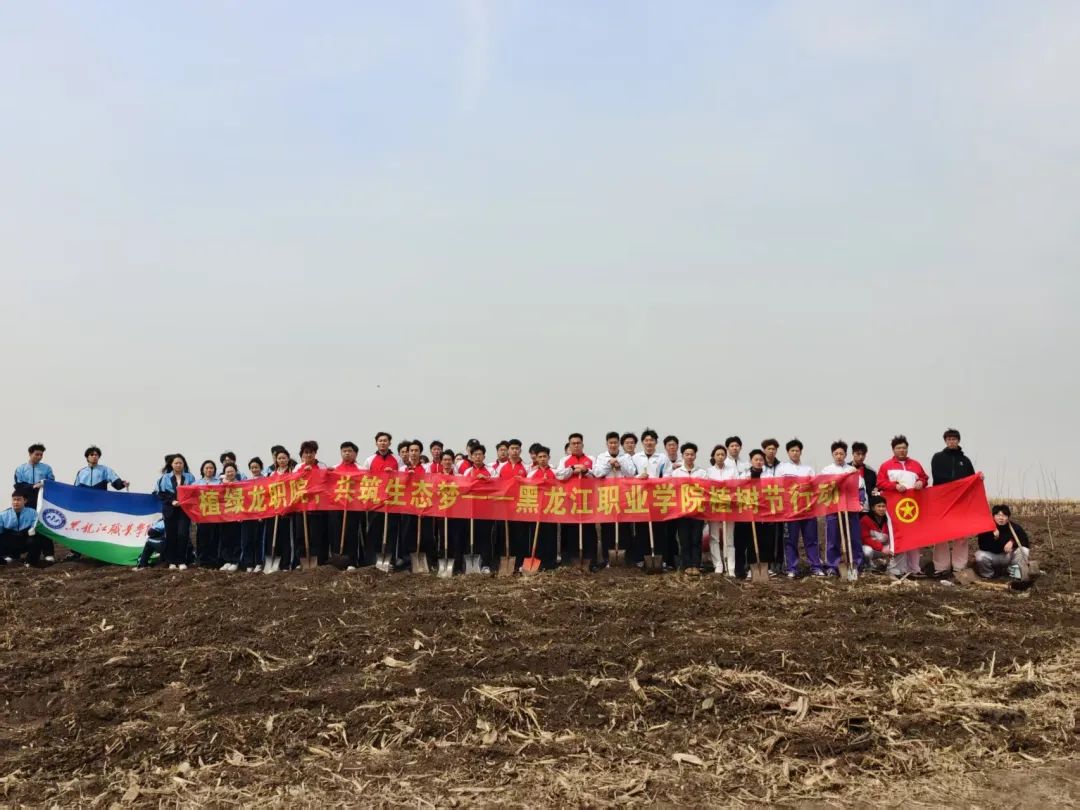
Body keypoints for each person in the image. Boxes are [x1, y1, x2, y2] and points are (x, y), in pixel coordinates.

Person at [877, 435, 929, 577]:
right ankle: (898, 569)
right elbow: (880, 482)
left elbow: (924, 478)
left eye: (904, 448)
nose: (902, 450)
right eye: (898, 448)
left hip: (913, 508)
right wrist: (895, 486)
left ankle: (914, 568)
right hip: (895, 508)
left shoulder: (916, 464)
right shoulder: (886, 465)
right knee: (898, 536)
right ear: (893, 450)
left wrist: (921, 482)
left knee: (914, 537)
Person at [930, 428, 977, 579]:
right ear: (945, 441)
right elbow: (937, 476)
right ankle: (941, 567)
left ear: (958, 441)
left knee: (961, 535)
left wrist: (978, 478)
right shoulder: (937, 457)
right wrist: (957, 485)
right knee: (941, 535)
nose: (951, 441)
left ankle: (959, 567)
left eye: (954, 439)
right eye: (949, 439)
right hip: (942, 501)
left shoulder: (966, 460)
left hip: (961, 503)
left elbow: (971, 480)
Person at [777, 439, 823, 577]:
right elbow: (778, 487)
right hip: (790, 511)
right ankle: (792, 568)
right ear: (788, 452)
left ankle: (816, 567)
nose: (795, 453)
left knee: (811, 539)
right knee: (791, 540)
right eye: (792, 451)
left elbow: (815, 487)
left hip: (808, 510)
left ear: (801, 452)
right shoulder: (782, 469)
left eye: (797, 450)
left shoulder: (808, 469)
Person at [819, 441, 864, 576]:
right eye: (836, 453)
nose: (839, 456)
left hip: (850, 509)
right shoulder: (827, 470)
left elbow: (860, 488)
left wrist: (861, 502)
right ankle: (832, 566)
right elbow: (822, 489)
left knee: (854, 538)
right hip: (834, 509)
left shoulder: (852, 470)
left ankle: (855, 564)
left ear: (845, 455)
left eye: (841, 453)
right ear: (832, 454)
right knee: (833, 538)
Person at [593, 431, 635, 568]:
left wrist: (620, 465)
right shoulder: (601, 457)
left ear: (619, 444)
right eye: (610, 443)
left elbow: (631, 473)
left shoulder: (626, 457)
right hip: (607, 497)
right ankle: (607, 559)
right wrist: (609, 464)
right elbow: (597, 473)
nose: (613, 445)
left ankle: (625, 557)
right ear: (607, 444)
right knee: (607, 528)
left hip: (623, 496)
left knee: (624, 528)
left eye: (615, 443)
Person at [556, 433, 594, 567]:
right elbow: (559, 476)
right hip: (570, 501)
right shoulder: (564, 460)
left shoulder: (591, 459)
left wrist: (585, 471)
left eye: (578, 443)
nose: (576, 446)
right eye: (573, 443)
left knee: (588, 531)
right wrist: (572, 469)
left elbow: (597, 475)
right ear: (570, 445)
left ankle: (589, 559)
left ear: (582, 444)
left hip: (588, 501)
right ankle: (571, 559)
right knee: (571, 531)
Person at [631, 429, 669, 567]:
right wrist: (638, 477)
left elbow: (668, 475)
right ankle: (641, 558)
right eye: (646, 440)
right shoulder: (635, 458)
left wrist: (655, 481)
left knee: (658, 529)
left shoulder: (662, 458)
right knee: (641, 530)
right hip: (640, 498)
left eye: (651, 440)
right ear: (642, 442)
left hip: (657, 497)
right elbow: (630, 475)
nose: (649, 443)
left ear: (656, 442)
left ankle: (660, 558)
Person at [361, 432, 399, 568]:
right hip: (375, 502)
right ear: (376, 443)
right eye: (380, 440)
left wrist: (393, 473)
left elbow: (403, 477)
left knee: (391, 532)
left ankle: (389, 560)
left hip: (392, 502)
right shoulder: (369, 460)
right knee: (373, 531)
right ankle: (371, 560)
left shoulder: (397, 459)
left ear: (390, 443)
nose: (383, 443)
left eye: (385, 440)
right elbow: (364, 479)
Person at [14, 443, 56, 560]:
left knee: (44, 524)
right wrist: (32, 486)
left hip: (42, 500)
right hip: (27, 501)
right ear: (30, 454)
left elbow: (52, 482)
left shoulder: (47, 468)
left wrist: (43, 483)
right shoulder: (20, 469)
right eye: (37, 454)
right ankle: (20, 553)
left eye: (41, 455)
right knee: (27, 525)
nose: (39, 457)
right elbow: (18, 485)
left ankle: (48, 553)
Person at [154, 454, 195, 570]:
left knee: (183, 534)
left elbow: (194, 492)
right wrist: (172, 501)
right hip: (170, 510)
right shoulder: (165, 478)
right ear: (171, 464)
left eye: (180, 463)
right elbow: (160, 493)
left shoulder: (190, 477)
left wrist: (185, 501)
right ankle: (171, 561)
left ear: (184, 464)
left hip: (184, 510)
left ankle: (182, 560)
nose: (178, 465)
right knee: (171, 535)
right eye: (176, 463)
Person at [671, 443, 707, 572]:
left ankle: (696, 565)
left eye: (692, 454)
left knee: (696, 539)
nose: (689, 457)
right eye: (687, 454)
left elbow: (705, 490)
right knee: (684, 540)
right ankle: (686, 566)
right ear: (682, 456)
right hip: (682, 512)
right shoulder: (676, 473)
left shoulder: (702, 472)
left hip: (697, 511)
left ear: (695, 456)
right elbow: (673, 491)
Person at [461, 444, 496, 573]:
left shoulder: (491, 471)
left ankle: (486, 564)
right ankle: (471, 564)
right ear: (470, 456)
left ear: (484, 456)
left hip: (486, 510)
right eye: (475, 454)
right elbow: (462, 488)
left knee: (485, 537)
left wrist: (487, 480)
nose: (477, 457)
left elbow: (498, 485)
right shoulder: (467, 472)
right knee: (470, 537)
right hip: (470, 510)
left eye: (480, 454)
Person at [975, 505, 1030, 581]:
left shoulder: (1015, 527)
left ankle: (1015, 573)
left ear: (1008, 517)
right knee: (979, 555)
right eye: (998, 515)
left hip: (1008, 556)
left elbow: (1025, 541)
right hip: (993, 557)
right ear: (993, 516)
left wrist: (1012, 542)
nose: (1001, 518)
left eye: (1004, 515)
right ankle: (989, 575)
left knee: (1024, 550)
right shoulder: (986, 528)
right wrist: (994, 538)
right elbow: (982, 546)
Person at [296, 440, 329, 566]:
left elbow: (326, 482)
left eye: (311, 452)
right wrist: (303, 473)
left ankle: (318, 561)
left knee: (316, 536)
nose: (309, 455)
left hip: (317, 507)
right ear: (302, 454)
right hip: (302, 507)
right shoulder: (298, 467)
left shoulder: (322, 466)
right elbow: (292, 483)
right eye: (306, 452)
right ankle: (302, 561)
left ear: (315, 453)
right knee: (301, 536)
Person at [331, 442, 363, 570]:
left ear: (355, 453)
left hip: (354, 506)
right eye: (344, 451)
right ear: (341, 453)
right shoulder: (334, 469)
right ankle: (337, 560)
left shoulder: (361, 469)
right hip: (337, 506)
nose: (347, 453)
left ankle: (352, 561)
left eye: (350, 451)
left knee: (352, 533)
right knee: (336, 532)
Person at [706, 444, 737, 575]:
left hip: (729, 507)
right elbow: (706, 489)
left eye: (722, 454)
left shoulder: (732, 470)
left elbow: (737, 487)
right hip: (714, 507)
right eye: (717, 454)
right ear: (713, 456)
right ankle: (718, 564)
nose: (720, 457)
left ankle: (731, 567)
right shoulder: (708, 471)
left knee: (729, 538)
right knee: (714, 537)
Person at [499, 439, 530, 570]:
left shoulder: (527, 467)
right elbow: (496, 484)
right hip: (505, 507)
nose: (515, 451)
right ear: (508, 450)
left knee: (521, 536)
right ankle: (506, 562)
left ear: (520, 450)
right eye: (512, 448)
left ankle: (520, 563)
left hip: (521, 506)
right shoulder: (500, 467)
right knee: (505, 535)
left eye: (517, 448)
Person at [527, 446, 559, 569]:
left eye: (544, 456)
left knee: (551, 536)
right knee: (537, 536)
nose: (542, 459)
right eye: (540, 457)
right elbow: (527, 488)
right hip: (536, 510)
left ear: (548, 457)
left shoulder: (555, 472)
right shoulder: (532, 473)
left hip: (552, 509)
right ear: (536, 458)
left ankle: (551, 562)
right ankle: (538, 561)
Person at [760, 439, 784, 574]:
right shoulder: (759, 465)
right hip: (763, 506)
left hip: (778, 505)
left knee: (778, 535)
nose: (771, 451)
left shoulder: (781, 467)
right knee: (765, 536)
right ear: (764, 450)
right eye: (768, 448)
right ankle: (766, 563)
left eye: (773, 449)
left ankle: (778, 563)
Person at [0, 490, 41, 566]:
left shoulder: (33, 512)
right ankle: (4, 561)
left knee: (38, 538)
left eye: (18, 499)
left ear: (25, 501)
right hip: (10, 542)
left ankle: (30, 562)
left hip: (25, 540)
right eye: (14, 499)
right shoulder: (3, 515)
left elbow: (35, 526)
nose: (16, 502)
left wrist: (33, 529)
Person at [240, 457, 265, 572]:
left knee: (258, 540)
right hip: (247, 515)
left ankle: (258, 563)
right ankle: (249, 563)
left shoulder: (266, 480)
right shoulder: (246, 481)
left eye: (256, 467)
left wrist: (262, 514)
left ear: (261, 468)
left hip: (260, 515)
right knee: (247, 540)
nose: (254, 469)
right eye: (252, 468)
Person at [217, 462, 244, 571]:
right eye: (227, 472)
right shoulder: (220, 485)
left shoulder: (241, 484)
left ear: (235, 472)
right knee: (225, 538)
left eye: (231, 471)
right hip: (224, 516)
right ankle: (227, 560)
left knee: (236, 538)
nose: (229, 473)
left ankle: (235, 561)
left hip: (236, 515)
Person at [860, 496, 892, 572]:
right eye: (879, 506)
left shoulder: (888, 520)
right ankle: (867, 566)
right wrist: (881, 548)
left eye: (883, 506)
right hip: (870, 548)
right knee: (867, 551)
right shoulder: (865, 520)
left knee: (895, 549)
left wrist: (891, 547)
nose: (881, 509)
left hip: (883, 548)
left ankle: (884, 564)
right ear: (873, 508)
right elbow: (865, 538)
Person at [850, 442, 877, 507]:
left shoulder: (871, 472)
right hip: (850, 508)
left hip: (867, 508)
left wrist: (876, 491)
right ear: (853, 453)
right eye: (858, 454)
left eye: (863, 454)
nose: (861, 457)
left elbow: (876, 490)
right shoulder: (845, 469)